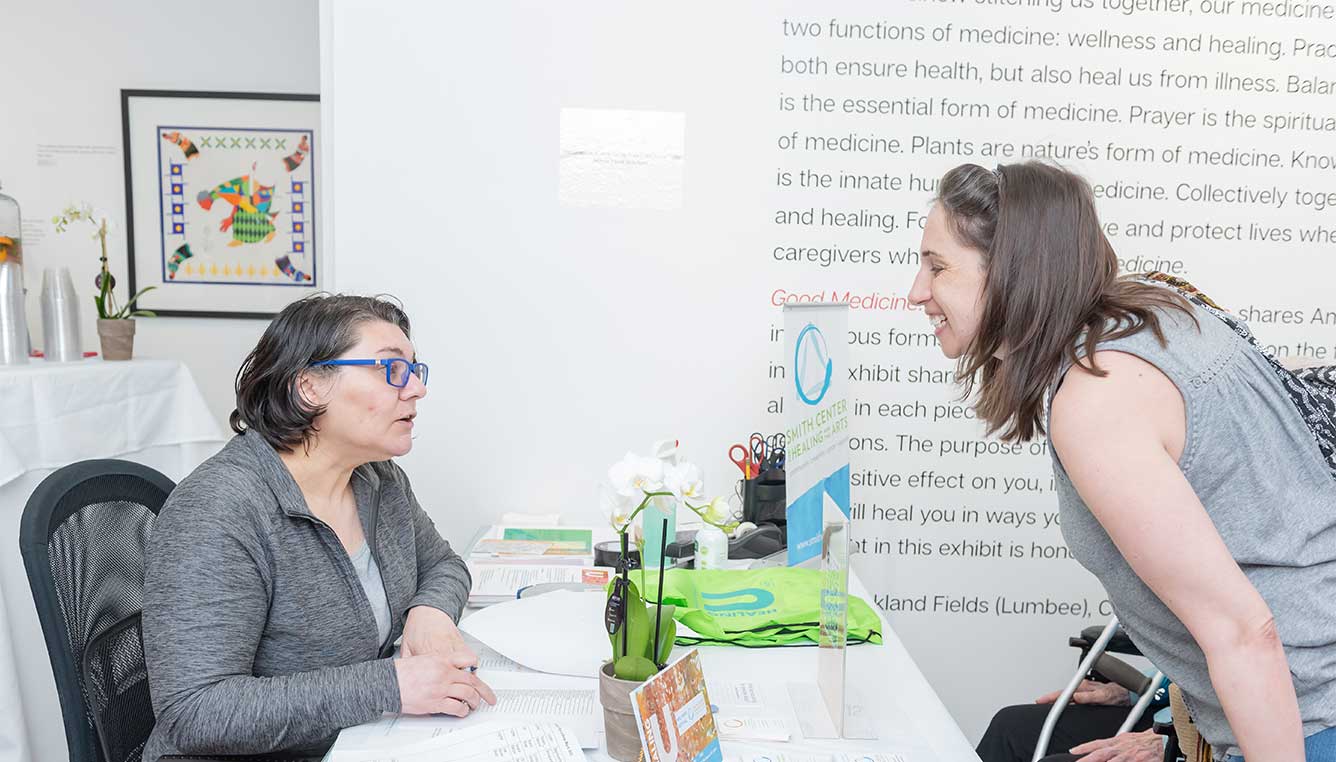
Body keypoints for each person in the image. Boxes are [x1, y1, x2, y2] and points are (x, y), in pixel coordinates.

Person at [909, 161, 1336, 761]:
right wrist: (1170, 719)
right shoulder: (1150, 315)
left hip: (1305, 723)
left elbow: (1245, 632)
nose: (917, 292)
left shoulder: (1097, 395)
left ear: (1011, 270)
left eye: (938, 265)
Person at [142, 294, 496, 761]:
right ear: (309, 387)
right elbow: (195, 712)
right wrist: (390, 686)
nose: (415, 389)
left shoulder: (376, 477)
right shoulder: (219, 509)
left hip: (354, 743)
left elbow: (444, 565)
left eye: (415, 369)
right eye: (392, 370)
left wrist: (428, 612)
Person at [977, 678, 1165, 762]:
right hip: (1170, 710)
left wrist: (1174, 737)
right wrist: (1133, 690)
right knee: (1011, 727)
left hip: (1189, 730)